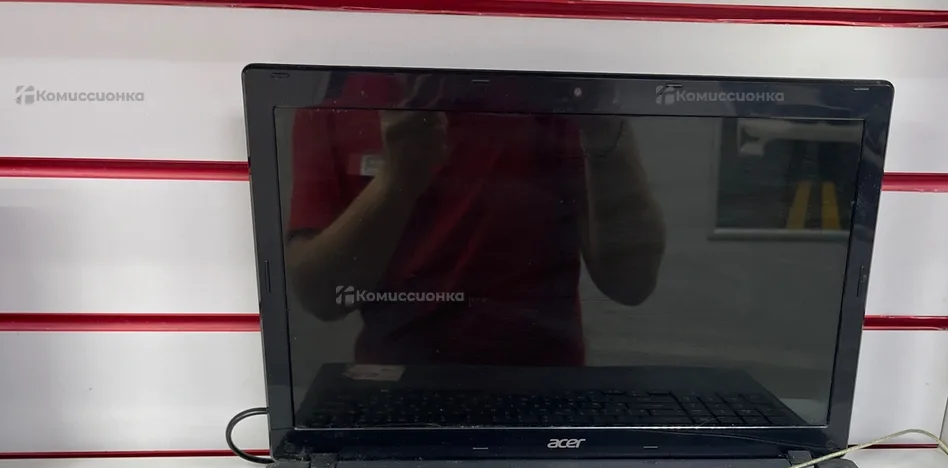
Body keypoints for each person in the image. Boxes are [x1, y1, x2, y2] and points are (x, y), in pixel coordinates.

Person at [285, 74, 666, 367]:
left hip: (541, 382)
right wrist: (396, 181)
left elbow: (631, 282)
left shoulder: (557, 94)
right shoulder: (337, 103)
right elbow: (321, 297)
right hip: (402, 378)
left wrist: (603, 127)